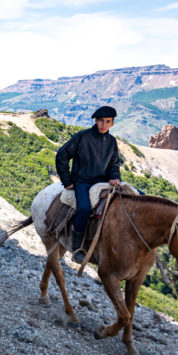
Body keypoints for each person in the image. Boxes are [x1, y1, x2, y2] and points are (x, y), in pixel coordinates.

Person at [55, 105, 121, 263]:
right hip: (82, 181)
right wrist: (67, 181)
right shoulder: (82, 136)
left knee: (136, 194)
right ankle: (77, 248)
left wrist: (115, 177)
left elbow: (114, 164)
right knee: (84, 208)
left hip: (103, 182)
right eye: (101, 121)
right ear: (95, 121)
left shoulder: (112, 141)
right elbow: (62, 156)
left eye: (108, 121)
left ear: (112, 123)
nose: (104, 125)